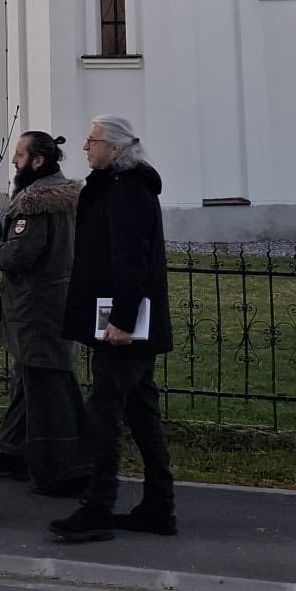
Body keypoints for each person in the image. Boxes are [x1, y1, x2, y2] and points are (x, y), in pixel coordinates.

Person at [49, 114, 178, 543]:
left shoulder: (127, 191)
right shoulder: (114, 187)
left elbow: (131, 259)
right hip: (126, 324)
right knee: (142, 413)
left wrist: (122, 320)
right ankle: (159, 506)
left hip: (125, 328)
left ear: (117, 148)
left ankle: (98, 506)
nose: (86, 148)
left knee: (104, 414)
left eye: (92, 142)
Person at [0, 131, 90, 496]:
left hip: (36, 306)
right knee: (27, 378)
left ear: (38, 161)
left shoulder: (35, 204)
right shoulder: (66, 197)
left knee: (46, 383)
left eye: (20, 155)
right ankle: (14, 451)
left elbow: (19, 255)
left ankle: (63, 467)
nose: (13, 161)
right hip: (58, 298)